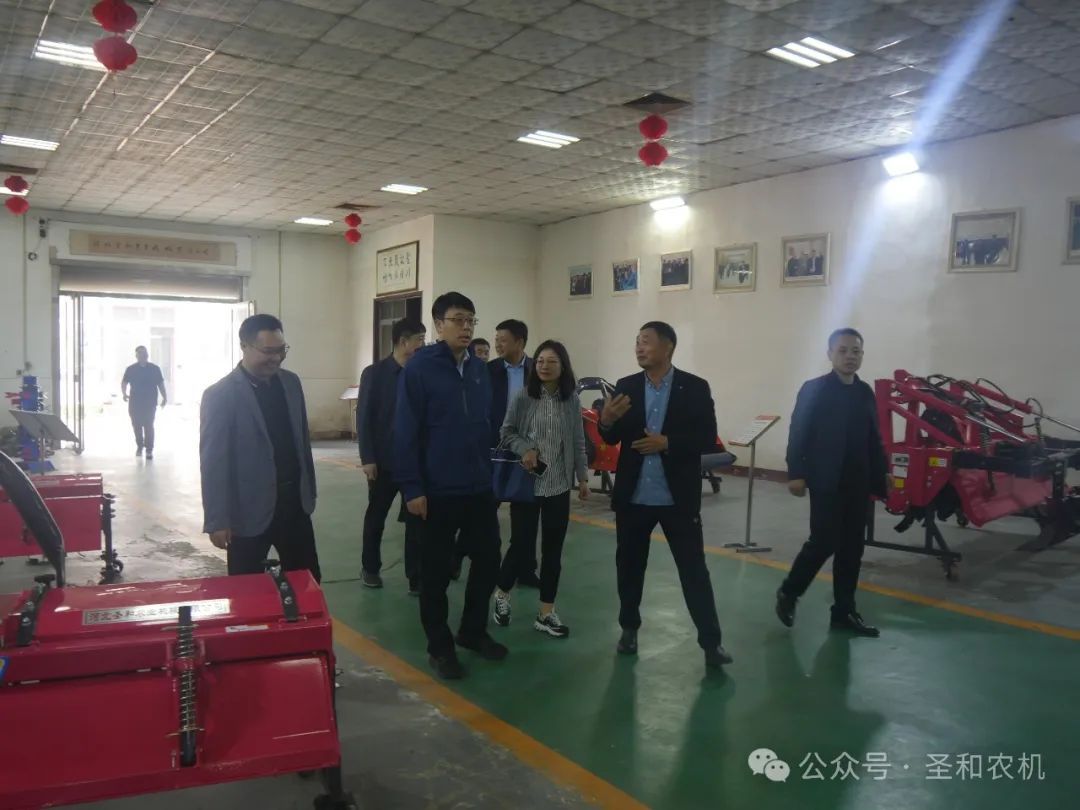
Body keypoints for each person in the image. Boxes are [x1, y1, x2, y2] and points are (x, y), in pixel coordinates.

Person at [598, 321, 732, 671]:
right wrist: (606, 421)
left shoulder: (695, 387)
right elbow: (610, 438)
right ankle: (629, 629)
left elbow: (707, 437)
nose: (639, 348)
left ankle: (711, 643)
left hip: (677, 500)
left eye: (646, 342)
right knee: (629, 568)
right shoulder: (626, 386)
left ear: (668, 347)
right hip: (634, 497)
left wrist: (667, 442)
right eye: (637, 342)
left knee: (694, 571)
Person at [395, 291, 507, 680]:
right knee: (436, 573)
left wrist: (490, 476)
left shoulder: (478, 369)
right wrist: (413, 488)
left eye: (471, 320)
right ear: (439, 325)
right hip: (436, 490)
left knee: (488, 560)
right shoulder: (420, 369)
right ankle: (440, 647)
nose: (466, 327)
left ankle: (472, 631)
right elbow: (405, 431)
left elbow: (485, 426)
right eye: (458, 320)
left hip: (477, 487)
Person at [776, 328, 888, 637]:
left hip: (858, 481)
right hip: (827, 480)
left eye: (856, 351)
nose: (850, 356)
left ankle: (843, 612)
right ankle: (789, 591)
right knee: (823, 542)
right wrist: (796, 473)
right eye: (843, 350)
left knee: (852, 548)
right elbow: (798, 432)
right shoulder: (815, 389)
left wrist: (883, 473)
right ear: (830, 354)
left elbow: (874, 438)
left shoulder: (864, 392)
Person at [199, 314, 321, 582]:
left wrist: (309, 491)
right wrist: (217, 519)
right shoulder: (220, 395)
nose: (276, 358)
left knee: (308, 582)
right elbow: (213, 462)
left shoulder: (291, 383)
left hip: (294, 505)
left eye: (281, 350)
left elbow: (301, 441)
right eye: (268, 351)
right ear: (244, 346)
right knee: (246, 588)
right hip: (247, 512)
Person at [493, 340, 589, 639]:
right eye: (541, 361)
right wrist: (525, 449)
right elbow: (506, 432)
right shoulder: (523, 397)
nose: (545, 366)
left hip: (558, 484)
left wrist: (583, 478)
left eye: (552, 362)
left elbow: (578, 441)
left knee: (553, 550)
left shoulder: (571, 401)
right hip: (527, 484)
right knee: (521, 545)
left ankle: (546, 612)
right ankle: (501, 593)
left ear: (563, 367)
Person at [357, 317, 426, 593]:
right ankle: (370, 568)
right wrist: (368, 458)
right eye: (419, 340)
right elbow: (364, 418)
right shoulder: (374, 374)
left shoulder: (421, 373)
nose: (423, 345)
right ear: (403, 342)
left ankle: (416, 576)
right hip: (383, 462)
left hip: (414, 463)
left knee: (416, 521)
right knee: (376, 517)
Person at [488, 319, 541, 589]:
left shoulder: (537, 371)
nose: (498, 344)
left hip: (528, 451)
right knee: (486, 511)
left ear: (520, 342)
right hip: (495, 449)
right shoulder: (488, 371)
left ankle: (526, 570)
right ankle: (472, 560)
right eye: (496, 339)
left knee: (527, 514)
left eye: (503, 340)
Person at [121, 346, 166, 459]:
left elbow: (160, 384)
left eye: (144, 352)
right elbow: (124, 382)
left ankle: (149, 449)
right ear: (136, 356)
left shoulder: (154, 369)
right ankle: (140, 446)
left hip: (150, 403)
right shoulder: (131, 369)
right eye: (140, 353)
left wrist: (165, 397)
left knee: (149, 425)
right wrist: (124, 393)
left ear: (147, 354)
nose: (143, 355)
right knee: (136, 425)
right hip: (135, 403)